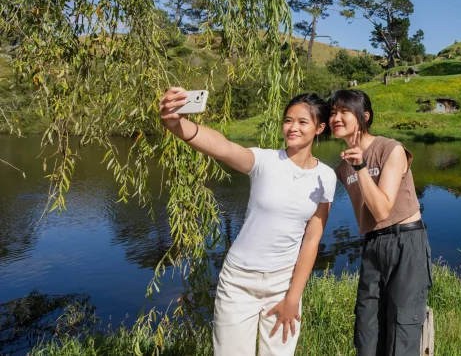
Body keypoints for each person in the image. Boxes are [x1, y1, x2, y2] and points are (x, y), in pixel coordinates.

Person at [157, 87, 336, 356]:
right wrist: (176, 123)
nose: (292, 128)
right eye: (288, 120)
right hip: (238, 281)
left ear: (319, 128)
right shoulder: (264, 161)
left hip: (284, 283)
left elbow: (312, 239)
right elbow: (222, 147)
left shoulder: (326, 176)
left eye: (302, 122)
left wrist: (293, 298)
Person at [328, 89, 432, 356]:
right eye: (332, 113)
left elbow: (382, 209)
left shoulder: (391, 149)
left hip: (405, 242)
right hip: (373, 245)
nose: (336, 118)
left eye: (343, 111)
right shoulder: (342, 168)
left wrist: (360, 167)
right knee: (367, 328)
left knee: (402, 329)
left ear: (364, 116)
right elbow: (362, 217)